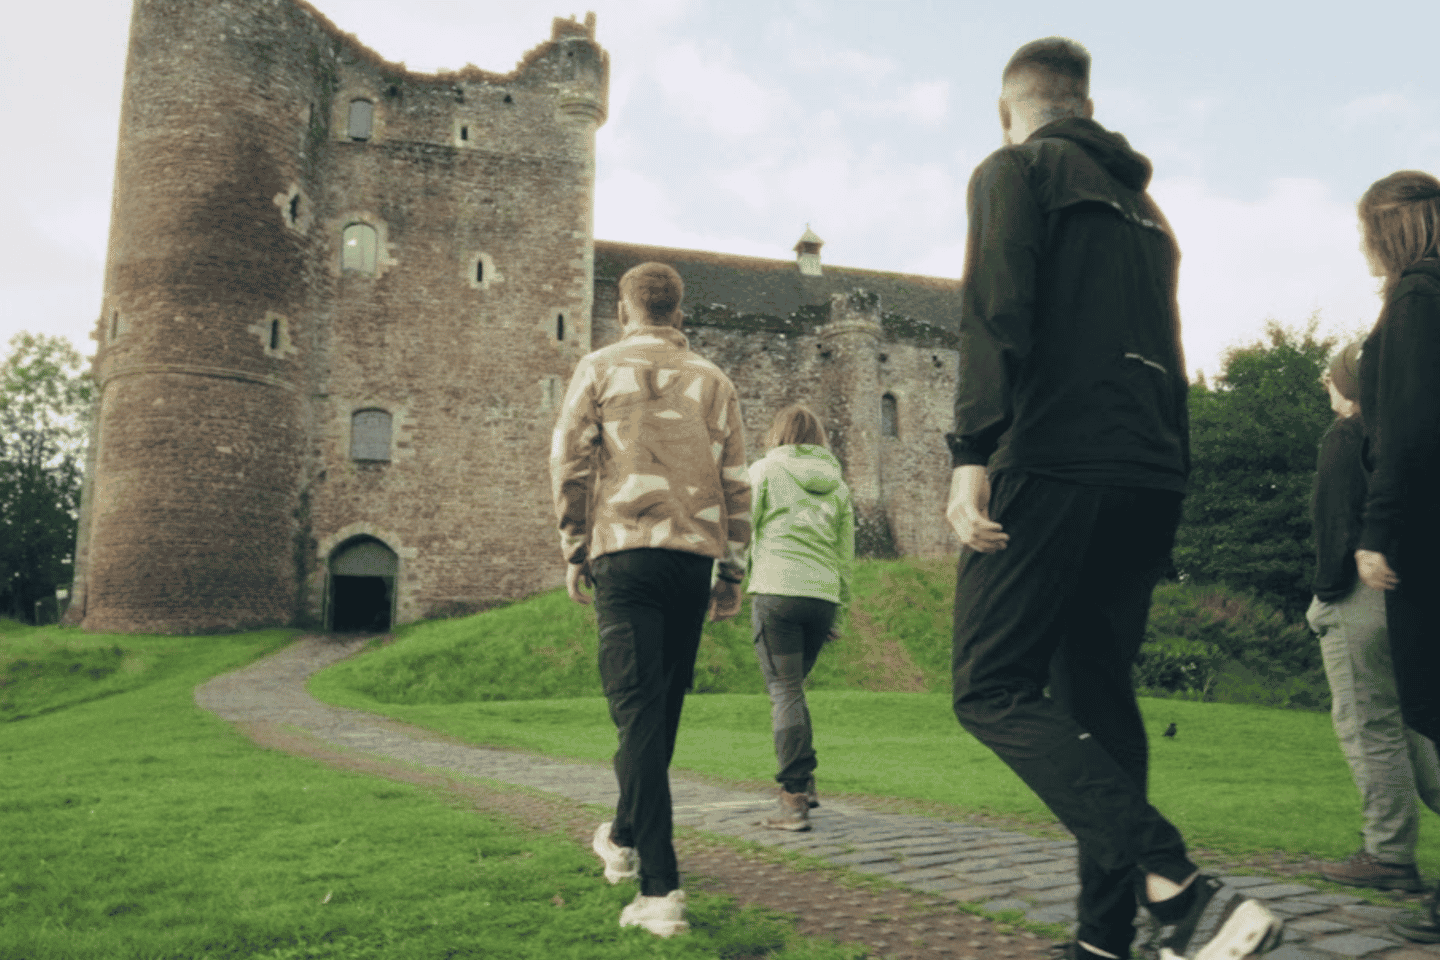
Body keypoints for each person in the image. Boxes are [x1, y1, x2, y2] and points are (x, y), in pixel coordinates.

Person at [944, 38, 1282, 960]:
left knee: (989, 686)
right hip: (1150, 473)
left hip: (1053, 460)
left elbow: (995, 310)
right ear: (1085, 106)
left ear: (1009, 107)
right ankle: (1104, 943)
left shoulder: (1013, 170)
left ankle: (1174, 881)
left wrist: (972, 450)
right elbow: (1170, 351)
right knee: (1096, 698)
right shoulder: (1147, 209)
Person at [549, 261, 751, 938]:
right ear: (679, 309)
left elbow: (569, 461)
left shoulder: (599, 367)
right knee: (657, 712)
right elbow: (736, 481)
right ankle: (626, 834)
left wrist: (575, 546)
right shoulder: (714, 381)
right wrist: (733, 571)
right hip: (691, 561)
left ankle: (660, 893)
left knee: (639, 712)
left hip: (626, 552)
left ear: (625, 306)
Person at [1308, 340, 1440, 893]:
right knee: (1410, 729)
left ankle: (1388, 855)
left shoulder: (1348, 434)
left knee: (1367, 726)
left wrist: (1325, 596)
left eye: (1331, 379)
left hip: (1359, 594)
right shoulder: (1407, 438)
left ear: (1348, 386)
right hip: (1405, 595)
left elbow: (1339, 523)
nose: (1326, 386)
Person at [1351, 169, 1440, 945]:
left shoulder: (1416, 297)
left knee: (1431, 704)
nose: (1362, 247)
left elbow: (1406, 429)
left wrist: (1376, 530)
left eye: (1367, 230)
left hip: (1427, 535)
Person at [745, 404, 855, 831]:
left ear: (778, 434)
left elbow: (745, 525)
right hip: (820, 598)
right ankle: (805, 782)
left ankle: (792, 799)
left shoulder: (766, 471)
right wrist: (836, 608)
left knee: (784, 691)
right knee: (793, 690)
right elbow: (846, 554)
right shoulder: (839, 486)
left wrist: (727, 578)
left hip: (777, 591)